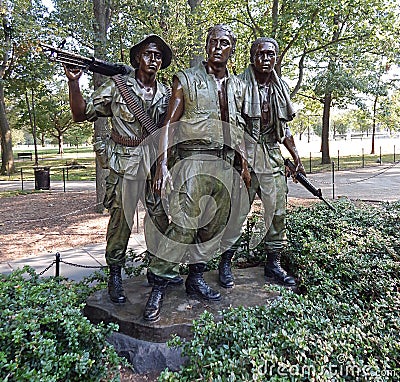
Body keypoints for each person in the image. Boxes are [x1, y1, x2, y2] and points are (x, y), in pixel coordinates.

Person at [143, 24, 251, 322]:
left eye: (225, 43)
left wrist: (242, 163)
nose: (218, 47)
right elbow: (168, 125)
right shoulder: (186, 79)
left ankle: (196, 277)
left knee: (213, 226)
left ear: (232, 49)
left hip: (225, 164)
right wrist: (163, 164)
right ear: (206, 46)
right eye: (213, 42)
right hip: (193, 160)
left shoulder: (238, 86)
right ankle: (158, 286)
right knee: (182, 226)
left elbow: (239, 128)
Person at [64, 34, 181, 304]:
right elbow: (81, 114)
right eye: (149, 53)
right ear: (137, 57)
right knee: (121, 222)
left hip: (153, 164)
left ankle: (158, 270)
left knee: (161, 218)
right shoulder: (117, 87)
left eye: (159, 56)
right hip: (124, 164)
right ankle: (115, 273)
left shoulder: (166, 93)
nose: (154, 59)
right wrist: (74, 83)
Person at [218, 37, 306, 287]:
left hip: (272, 154)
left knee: (277, 211)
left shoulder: (280, 87)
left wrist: (295, 156)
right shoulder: (238, 85)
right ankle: (226, 262)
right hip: (245, 153)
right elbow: (234, 129)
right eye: (260, 55)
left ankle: (273, 264)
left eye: (270, 55)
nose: (266, 60)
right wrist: (244, 166)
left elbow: (284, 129)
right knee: (237, 213)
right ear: (252, 57)